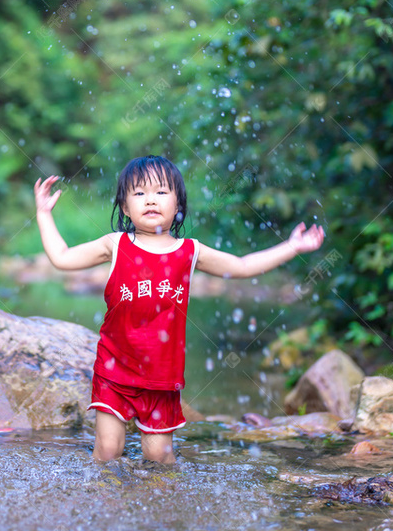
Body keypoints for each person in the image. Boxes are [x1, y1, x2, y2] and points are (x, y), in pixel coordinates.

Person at [34, 154, 325, 465]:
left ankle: (164, 509)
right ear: (125, 208)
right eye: (139, 193)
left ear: (178, 206)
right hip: (114, 370)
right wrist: (43, 214)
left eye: (161, 192)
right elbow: (62, 257)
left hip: (162, 377)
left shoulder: (189, 251)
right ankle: (105, 505)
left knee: (159, 457)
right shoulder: (115, 245)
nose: (150, 200)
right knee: (107, 452)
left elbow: (242, 266)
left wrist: (292, 247)